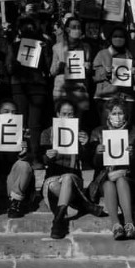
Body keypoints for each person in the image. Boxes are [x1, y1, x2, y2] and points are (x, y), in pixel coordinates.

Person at [40, 100, 104, 239]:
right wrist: (48, 156)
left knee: (68, 178)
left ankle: (58, 222)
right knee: (53, 184)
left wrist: (86, 146)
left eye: (71, 114)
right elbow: (42, 160)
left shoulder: (80, 134)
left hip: (73, 178)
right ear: (58, 114)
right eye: (64, 114)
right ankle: (82, 204)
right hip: (53, 177)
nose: (67, 117)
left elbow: (89, 162)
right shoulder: (47, 133)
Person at [89, 99, 135, 240]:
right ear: (108, 115)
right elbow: (92, 164)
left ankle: (129, 223)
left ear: (126, 115)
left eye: (121, 113)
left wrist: (134, 155)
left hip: (129, 177)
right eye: (114, 113)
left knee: (121, 180)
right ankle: (116, 225)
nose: (118, 117)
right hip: (105, 176)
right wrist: (97, 153)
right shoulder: (97, 132)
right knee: (108, 184)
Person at [8, 16, 52, 168]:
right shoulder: (14, 46)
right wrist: (15, 63)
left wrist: (45, 50)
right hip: (21, 86)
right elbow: (9, 68)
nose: (28, 31)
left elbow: (48, 68)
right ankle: (23, 155)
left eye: (30, 28)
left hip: (35, 86)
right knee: (23, 122)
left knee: (33, 123)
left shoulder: (41, 46)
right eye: (25, 28)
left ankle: (34, 155)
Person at [0, 100, 34, 218]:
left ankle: (15, 202)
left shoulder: (23, 133)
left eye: (13, 112)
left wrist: (24, 153)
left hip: (13, 182)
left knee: (24, 165)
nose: (10, 115)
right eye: (6, 112)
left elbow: (32, 160)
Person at [51, 16, 94, 115]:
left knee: (78, 120)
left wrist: (88, 67)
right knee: (62, 120)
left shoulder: (86, 47)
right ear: (67, 29)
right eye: (74, 27)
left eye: (79, 27)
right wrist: (59, 66)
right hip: (61, 90)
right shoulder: (57, 47)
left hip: (79, 89)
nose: (77, 30)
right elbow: (52, 72)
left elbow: (89, 72)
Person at [92, 27, 135, 121]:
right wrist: (105, 72)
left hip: (126, 98)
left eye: (121, 36)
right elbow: (94, 75)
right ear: (110, 38)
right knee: (106, 126)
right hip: (106, 97)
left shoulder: (130, 55)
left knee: (125, 126)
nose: (118, 38)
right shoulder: (102, 54)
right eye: (115, 36)